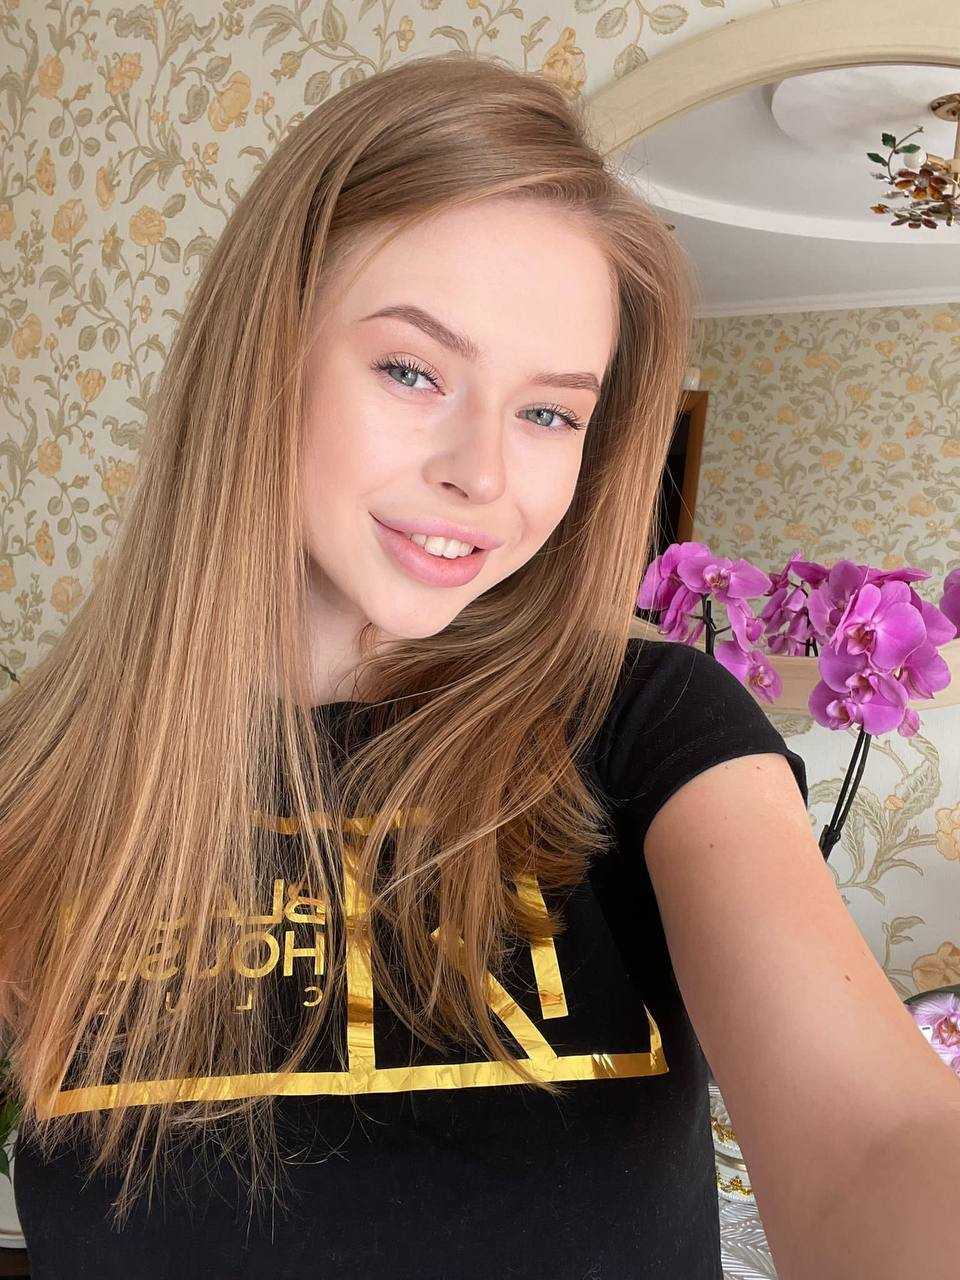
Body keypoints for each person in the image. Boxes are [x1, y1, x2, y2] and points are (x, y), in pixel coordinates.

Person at [1, 52, 958, 1280]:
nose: (483, 474)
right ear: (261, 356)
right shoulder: (42, 770)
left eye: (549, 412)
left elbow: (873, 1143)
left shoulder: (654, 726)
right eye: (412, 370)